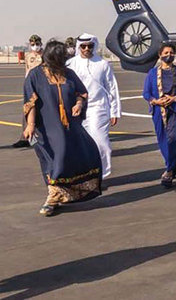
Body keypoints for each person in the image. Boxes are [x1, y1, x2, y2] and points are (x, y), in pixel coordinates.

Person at [23, 40, 102, 216]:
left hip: (70, 127)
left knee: (82, 154)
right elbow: (30, 102)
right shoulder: (35, 75)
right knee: (55, 159)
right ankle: (52, 198)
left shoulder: (69, 73)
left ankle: (61, 195)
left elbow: (81, 93)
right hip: (47, 128)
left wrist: (79, 104)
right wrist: (30, 125)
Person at [65, 33, 121, 178]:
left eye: (89, 46)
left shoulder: (103, 64)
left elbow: (112, 88)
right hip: (76, 109)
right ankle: (85, 176)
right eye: (83, 46)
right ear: (79, 47)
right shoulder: (70, 64)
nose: (86, 49)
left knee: (101, 143)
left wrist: (115, 111)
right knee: (80, 145)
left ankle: (101, 175)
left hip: (98, 108)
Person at [143, 43, 176, 187]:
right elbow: (146, 93)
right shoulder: (152, 73)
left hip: (175, 110)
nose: (169, 55)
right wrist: (155, 101)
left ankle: (169, 170)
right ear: (160, 55)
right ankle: (171, 167)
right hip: (158, 111)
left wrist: (174, 98)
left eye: (171, 52)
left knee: (175, 139)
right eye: (166, 52)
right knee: (163, 140)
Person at [13, 34, 44, 148]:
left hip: (42, 85)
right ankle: (25, 138)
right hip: (30, 85)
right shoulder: (28, 56)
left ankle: (41, 138)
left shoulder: (45, 55)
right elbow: (27, 71)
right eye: (33, 44)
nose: (35, 46)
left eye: (37, 44)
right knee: (27, 109)